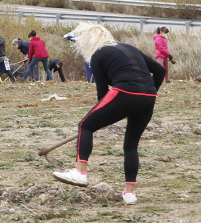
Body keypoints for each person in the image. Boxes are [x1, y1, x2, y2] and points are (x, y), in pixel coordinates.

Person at [52, 22, 166, 205]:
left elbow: (102, 93)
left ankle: (80, 172)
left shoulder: (97, 55)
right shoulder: (130, 47)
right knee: (131, 145)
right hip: (148, 97)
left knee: (86, 125)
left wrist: (103, 116)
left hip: (124, 92)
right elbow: (159, 70)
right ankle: (130, 193)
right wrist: (152, 91)